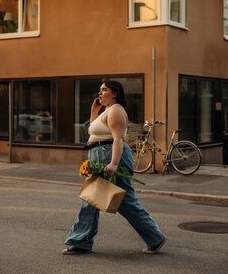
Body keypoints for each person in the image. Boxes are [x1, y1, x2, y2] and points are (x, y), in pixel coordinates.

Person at [62, 80, 166, 255]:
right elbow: (92, 132)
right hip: (99, 154)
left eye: (104, 90)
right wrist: (94, 111)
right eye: (99, 90)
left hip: (109, 154)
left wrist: (114, 164)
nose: (100, 93)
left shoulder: (116, 110)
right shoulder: (106, 110)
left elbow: (117, 139)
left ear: (115, 93)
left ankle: (155, 238)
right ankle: (81, 241)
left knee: (125, 201)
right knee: (90, 199)